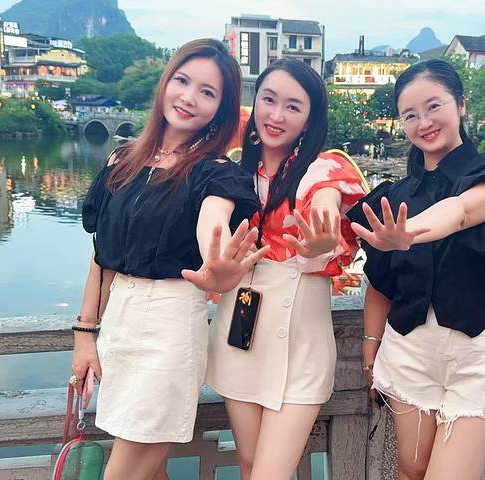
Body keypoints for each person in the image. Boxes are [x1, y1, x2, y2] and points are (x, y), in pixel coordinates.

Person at [72, 39, 267, 480]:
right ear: (165, 83)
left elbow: (212, 223)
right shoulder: (122, 159)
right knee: (150, 470)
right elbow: (102, 256)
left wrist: (217, 263)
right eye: (182, 81)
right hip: (118, 324)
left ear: (220, 109)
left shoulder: (215, 172)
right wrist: (85, 335)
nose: (189, 97)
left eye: (207, 92)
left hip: (169, 327)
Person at [347, 59, 485, 480]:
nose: (423, 122)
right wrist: (370, 346)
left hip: (473, 358)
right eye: (410, 114)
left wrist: (408, 235)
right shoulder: (395, 196)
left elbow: (459, 213)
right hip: (407, 350)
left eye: (433, 106)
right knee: (411, 469)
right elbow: (381, 282)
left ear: (461, 104)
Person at [198, 59, 366, 480]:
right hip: (240, 333)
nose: (276, 115)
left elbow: (325, 198)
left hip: (302, 346)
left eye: (293, 106)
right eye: (269, 100)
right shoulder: (235, 174)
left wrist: (324, 237)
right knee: (249, 464)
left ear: (310, 118)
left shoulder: (323, 167)